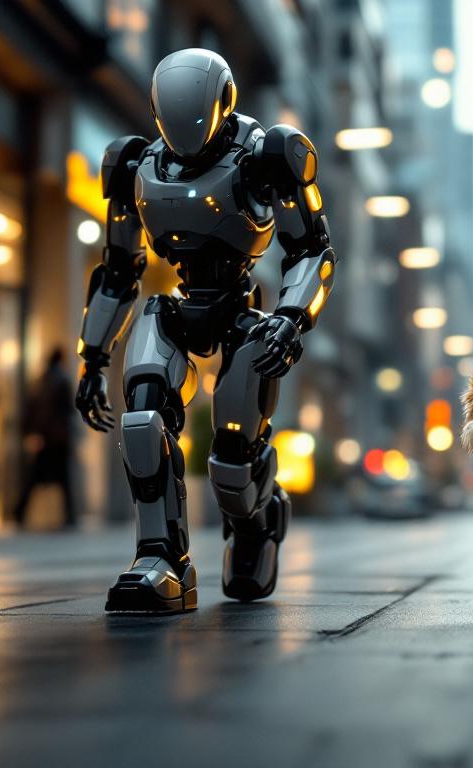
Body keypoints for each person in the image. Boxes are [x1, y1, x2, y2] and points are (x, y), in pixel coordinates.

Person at [74, 48, 336, 613]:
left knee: (233, 459)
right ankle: (161, 558)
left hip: (244, 313)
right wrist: (93, 358)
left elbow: (312, 250)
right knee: (143, 415)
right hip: (177, 303)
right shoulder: (134, 164)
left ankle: (258, 518)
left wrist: (291, 318)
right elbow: (118, 271)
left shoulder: (269, 154)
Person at [14, 348, 75, 528]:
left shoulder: (39, 381)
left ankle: (19, 511)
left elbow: (31, 410)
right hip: (57, 439)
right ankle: (69, 516)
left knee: (34, 478)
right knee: (62, 479)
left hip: (44, 439)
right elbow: (65, 411)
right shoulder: (62, 381)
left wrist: (32, 433)